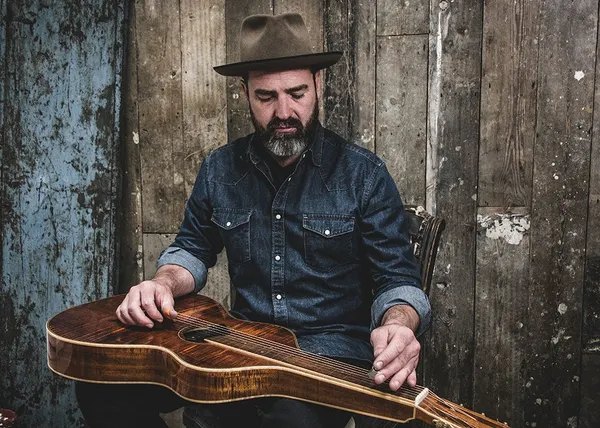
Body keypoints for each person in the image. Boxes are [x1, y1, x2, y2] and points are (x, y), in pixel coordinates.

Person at [76, 13, 431, 428]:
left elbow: (397, 279)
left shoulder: (364, 175)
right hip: (241, 344)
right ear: (245, 92)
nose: (284, 111)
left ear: (318, 85)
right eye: (266, 97)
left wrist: (399, 325)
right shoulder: (220, 169)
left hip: (329, 354)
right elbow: (192, 249)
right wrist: (162, 283)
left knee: (289, 419)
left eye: (296, 93)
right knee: (100, 385)